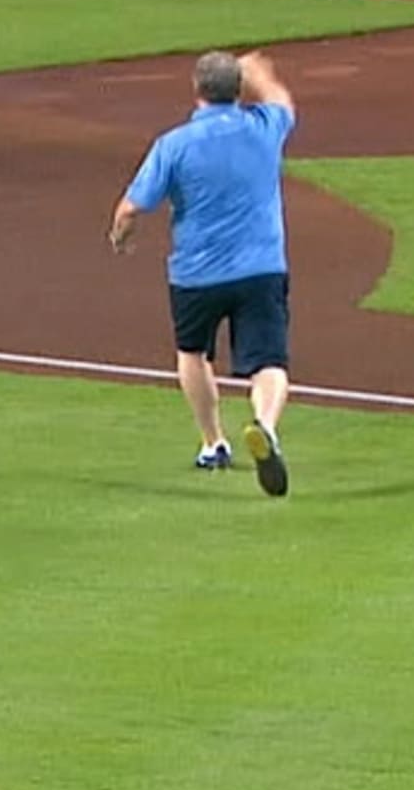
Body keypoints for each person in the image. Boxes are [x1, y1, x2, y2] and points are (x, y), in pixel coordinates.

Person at [109, 51, 298, 498]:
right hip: (262, 267)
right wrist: (262, 74)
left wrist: (121, 236)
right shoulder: (265, 127)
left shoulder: (174, 144)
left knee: (193, 353)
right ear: (238, 90)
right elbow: (282, 101)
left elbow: (132, 207)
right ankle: (266, 427)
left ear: (196, 91)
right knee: (269, 362)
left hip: (196, 273)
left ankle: (213, 442)